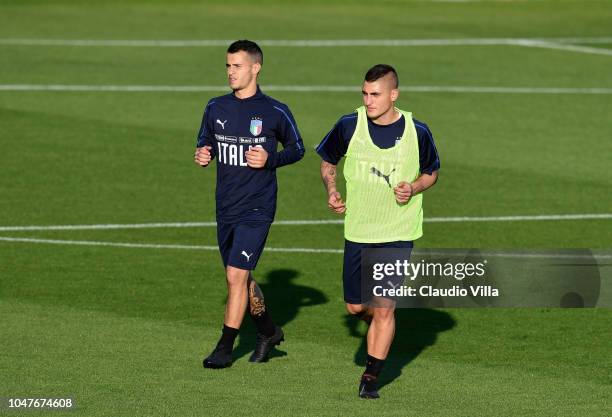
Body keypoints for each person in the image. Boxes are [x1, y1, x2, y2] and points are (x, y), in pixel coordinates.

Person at [316, 64, 440, 398]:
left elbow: (432, 173)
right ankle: (373, 321)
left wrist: (413, 188)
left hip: (398, 230)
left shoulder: (419, 131)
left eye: (376, 94)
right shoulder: (348, 125)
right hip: (358, 230)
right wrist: (331, 190)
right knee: (357, 308)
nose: (369, 101)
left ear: (393, 95)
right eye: (365, 94)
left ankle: (371, 378)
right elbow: (328, 161)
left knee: (384, 307)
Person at [194, 40, 305, 368]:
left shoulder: (275, 111)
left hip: (257, 207)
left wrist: (271, 159)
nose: (231, 72)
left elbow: (297, 149)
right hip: (225, 206)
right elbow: (205, 140)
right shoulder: (215, 107)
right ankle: (268, 331)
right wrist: (204, 153)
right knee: (240, 277)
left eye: (237, 66)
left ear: (255, 68)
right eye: (228, 66)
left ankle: (225, 348)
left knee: (235, 275)